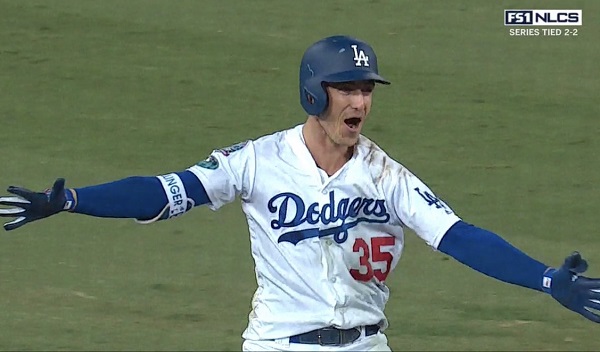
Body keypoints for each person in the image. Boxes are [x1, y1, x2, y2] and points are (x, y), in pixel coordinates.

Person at [1, 35, 599, 352]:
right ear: (315, 94)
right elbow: (166, 192)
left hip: (368, 345)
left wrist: (545, 279)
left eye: (367, 89)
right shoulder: (255, 161)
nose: (361, 102)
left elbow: (459, 237)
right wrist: (74, 199)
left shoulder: (386, 175)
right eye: (347, 88)